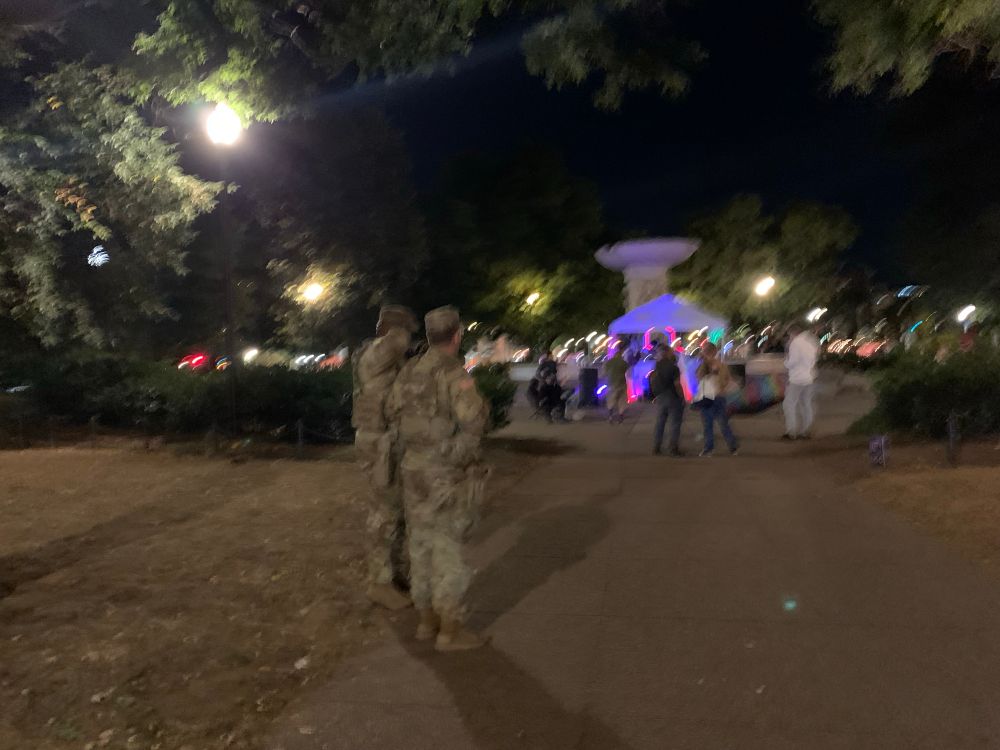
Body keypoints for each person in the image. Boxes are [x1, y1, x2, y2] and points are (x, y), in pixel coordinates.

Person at [387, 306, 490, 651]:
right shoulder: (452, 371)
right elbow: (474, 420)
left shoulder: (409, 370)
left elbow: (393, 413)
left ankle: (426, 621)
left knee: (420, 545)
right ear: (457, 335)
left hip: (412, 469)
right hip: (443, 473)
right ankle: (450, 630)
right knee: (447, 548)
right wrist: (461, 452)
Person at [351, 305, 419, 611]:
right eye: (405, 331)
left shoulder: (385, 355)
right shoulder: (381, 350)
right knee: (385, 512)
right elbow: (399, 342)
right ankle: (379, 582)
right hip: (379, 444)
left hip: (389, 441)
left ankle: (392, 574)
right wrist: (400, 330)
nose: (408, 338)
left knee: (398, 511)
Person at [695, 342, 739, 457]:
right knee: (723, 423)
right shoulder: (722, 365)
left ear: (704, 352)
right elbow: (728, 379)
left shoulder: (703, 365)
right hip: (720, 396)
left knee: (708, 425)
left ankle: (709, 449)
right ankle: (733, 446)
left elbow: (698, 378)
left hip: (707, 397)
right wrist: (722, 386)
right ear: (715, 352)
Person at [783, 323, 820, 440]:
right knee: (806, 404)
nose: (789, 337)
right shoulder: (810, 343)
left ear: (792, 333)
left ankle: (792, 431)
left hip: (797, 378)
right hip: (809, 377)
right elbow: (815, 358)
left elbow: (792, 362)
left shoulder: (795, 343)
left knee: (789, 405)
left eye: (789, 335)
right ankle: (806, 430)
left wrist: (785, 362)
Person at [651, 345, 685, 456]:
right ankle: (672, 448)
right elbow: (677, 384)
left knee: (660, 422)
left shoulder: (656, 366)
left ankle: (656, 447)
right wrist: (682, 396)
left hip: (661, 397)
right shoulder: (673, 368)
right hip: (673, 397)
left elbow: (652, 382)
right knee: (675, 423)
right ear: (668, 353)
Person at [603, 347, 629, 424]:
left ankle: (610, 417)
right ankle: (620, 417)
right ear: (621, 355)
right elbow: (626, 371)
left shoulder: (608, 362)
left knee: (611, 401)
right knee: (622, 401)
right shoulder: (624, 363)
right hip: (622, 384)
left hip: (611, 384)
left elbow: (605, 373)